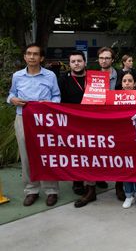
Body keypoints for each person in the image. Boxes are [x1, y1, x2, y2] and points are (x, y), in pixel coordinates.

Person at [7, 43, 61, 206]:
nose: (32, 57)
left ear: (41, 58)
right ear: (24, 57)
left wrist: (49, 104)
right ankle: (31, 190)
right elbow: (11, 94)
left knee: (47, 154)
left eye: (35, 54)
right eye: (29, 54)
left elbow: (57, 96)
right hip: (23, 119)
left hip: (44, 120)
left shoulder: (50, 75)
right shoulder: (17, 76)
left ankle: (51, 190)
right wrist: (12, 100)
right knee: (26, 155)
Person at [58, 51, 87, 196]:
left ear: (85, 62)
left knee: (96, 151)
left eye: (79, 61)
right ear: (69, 64)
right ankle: (78, 181)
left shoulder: (95, 78)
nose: (76, 63)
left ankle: (97, 178)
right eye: (73, 61)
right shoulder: (63, 79)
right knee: (77, 153)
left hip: (93, 120)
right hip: (73, 122)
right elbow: (59, 101)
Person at [98, 47, 125, 200]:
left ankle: (119, 186)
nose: (104, 60)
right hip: (98, 120)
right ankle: (98, 179)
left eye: (107, 58)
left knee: (119, 153)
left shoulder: (122, 76)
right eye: (101, 58)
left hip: (117, 120)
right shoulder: (92, 76)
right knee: (98, 151)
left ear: (112, 60)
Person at [119, 72, 136, 209]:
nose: (127, 83)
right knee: (126, 167)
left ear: (135, 83)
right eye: (124, 81)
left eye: (130, 80)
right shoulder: (115, 98)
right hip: (122, 138)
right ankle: (129, 195)